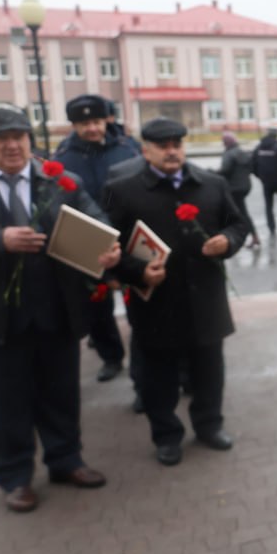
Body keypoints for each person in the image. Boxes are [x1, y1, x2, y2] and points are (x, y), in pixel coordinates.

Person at [0, 104, 120, 512]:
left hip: (55, 311)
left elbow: (94, 217)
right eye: (2, 139)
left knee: (60, 394)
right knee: (3, 403)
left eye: (20, 136)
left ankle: (66, 460)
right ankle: (14, 476)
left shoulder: (60, 181)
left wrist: (106, 248)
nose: (13, 146)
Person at [104, 117, 249, 467]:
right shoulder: (123, 190)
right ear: (146, 150)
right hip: (156, 302)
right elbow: (109, 246)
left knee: (209, 372)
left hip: (205, 300)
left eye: (177, 144)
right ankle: (167, 436)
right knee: (159, 377)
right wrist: (137, 272)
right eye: (162, 145)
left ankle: (209, 426)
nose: (172, 151)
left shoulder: (212, 184)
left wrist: (226, 242)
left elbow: (238, 224)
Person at [53, 94, 142, 383]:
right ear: (74, 126)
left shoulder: (129, 149)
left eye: (95, 121)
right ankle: (111, 356)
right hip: (89, 241)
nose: (91, 128)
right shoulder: (64, 157)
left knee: (139, 303)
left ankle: (144, 370)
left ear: (106, 120)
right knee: (97, 304)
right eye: (83, 123)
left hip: (128, 239)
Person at [218, 131, 261, 249]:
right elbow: (251, 168)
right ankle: (254, 236)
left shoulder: (228, 154)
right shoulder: (242, 152)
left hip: (233, 188)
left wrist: (211, 173)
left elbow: (224, 171)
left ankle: (233, 238)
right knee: (242, 212)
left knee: (234, 213)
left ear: (226, 142)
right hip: (245, 186)